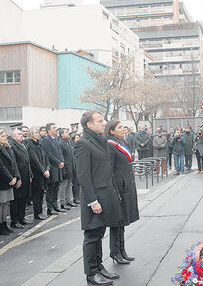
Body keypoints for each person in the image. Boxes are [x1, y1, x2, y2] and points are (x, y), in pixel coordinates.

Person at [75, 111, 123, 285]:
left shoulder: (100, 140)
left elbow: (108, 171)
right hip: (95, 197)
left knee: (99, 233)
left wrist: (115, 192)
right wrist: (92, 201)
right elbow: (83, 176)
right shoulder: (82, 144)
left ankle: (99, 267)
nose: (104, 123)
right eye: (100, 121)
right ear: (89, 124)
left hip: (106, 194)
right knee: (92, 236)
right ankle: (91, 272)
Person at [105, 120, 139, 265]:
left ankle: (122, 250)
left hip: (127, 185)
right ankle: (115, 252)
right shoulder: (110, 145)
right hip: (119, 187)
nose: (123, 129)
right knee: (117, 221)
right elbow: (110, 169)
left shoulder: (121, 143)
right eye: (119, 128)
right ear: (112, 131)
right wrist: (114, 190)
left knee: (123, 220)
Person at [0, 129, 19, 235]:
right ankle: (0, 225)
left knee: (7, 203)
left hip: (10, 179)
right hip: (3, 180)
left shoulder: (7, 148)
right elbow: (1, 166)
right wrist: (10, 178)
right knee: (0, 203)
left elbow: (14, 163)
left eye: (5, 136)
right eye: (2, 136)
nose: (5, 138)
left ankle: (5, 224)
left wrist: (15, 177)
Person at [10, 129, 32, 228]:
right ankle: (14, 220)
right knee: (16, 199)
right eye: (19, 134)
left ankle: (21, 218)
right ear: (13, 136)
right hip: (19, 176)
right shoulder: (12, 146)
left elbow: (27, 162)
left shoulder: (22, 145)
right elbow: (14, 163)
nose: (21, 135)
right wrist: (17, 177)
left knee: (23, 198)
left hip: (26, 175)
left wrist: (30, 174)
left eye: (21, 134)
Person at [27, 127, 50, 220]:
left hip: (43, 173)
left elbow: (45, 157)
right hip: (37, 173)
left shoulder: (39, 144)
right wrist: (43, 170)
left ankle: (40, 211)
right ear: (31, 134)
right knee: (36, 194)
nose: (38, 133)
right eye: (36, 132)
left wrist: (47, 168)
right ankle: (37, 212)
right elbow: (34, 160)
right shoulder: (30, 145)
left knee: (41, 193)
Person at [41, 123, 65, 214]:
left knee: (56, 188)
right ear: (48, 130)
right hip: (53, 167)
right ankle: (49, 208)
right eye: (53, 128)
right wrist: (58, 162)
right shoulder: (46, 141)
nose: (56, 129)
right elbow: (49, 155)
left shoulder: (56, 139)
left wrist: (62, 161)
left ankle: (55, 205)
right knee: (51, 188)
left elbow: (59, 152)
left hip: (58, 167)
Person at [59, 128, 77, 210]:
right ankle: (62, 202)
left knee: (70, 184)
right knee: (64, 185)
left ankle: (69, 200)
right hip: (65, 167)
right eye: (66, 132)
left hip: (71, 166)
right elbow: (61, 157)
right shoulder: (61, 143)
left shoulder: (68, 142)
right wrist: (63, 170)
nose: (68, 134)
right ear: (61, 134)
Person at [70, 132, 81, 204]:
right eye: (77, 138)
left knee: (79, 183)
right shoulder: (73, 147)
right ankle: (75, 198)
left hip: (80, 165)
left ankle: (78, 197)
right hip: (74, 166)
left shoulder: (80, 145)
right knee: (75, 183)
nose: (79, 139)